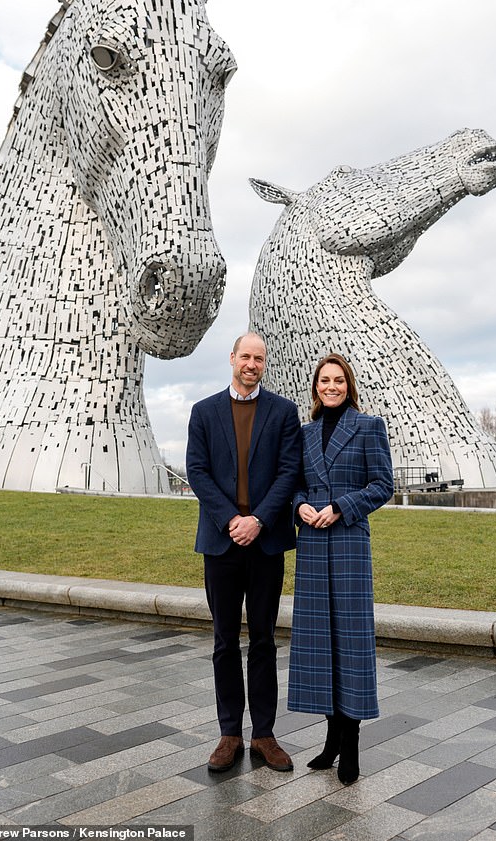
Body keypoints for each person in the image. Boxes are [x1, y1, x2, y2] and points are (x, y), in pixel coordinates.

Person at [186, 332, 302, 774]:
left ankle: (265, 735)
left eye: (259, 358)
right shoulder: (204, 412)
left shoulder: (283, 412)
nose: (251, 364)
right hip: (220, 542)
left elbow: (290, 472)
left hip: (266, 541)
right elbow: (197, 470)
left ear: (264, 364)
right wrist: (231, 519)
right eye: (245, 357)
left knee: (264, 640)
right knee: (223, 641)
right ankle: (229, 733)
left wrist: (258, 520)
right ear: (232, 358)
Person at [287, 352, 394, 785]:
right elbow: (292, 484)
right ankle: (330, 740)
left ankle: (349, 745)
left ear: (349, 385)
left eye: (338, 380)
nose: (331, 386)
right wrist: (301, 508)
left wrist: (341, 507)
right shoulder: (304, 433)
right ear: (316, 387)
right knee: (320, 643)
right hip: (313, 543)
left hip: (348, 542)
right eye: (324, 381)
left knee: (349, 643)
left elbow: (383, 485)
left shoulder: (369, 427)